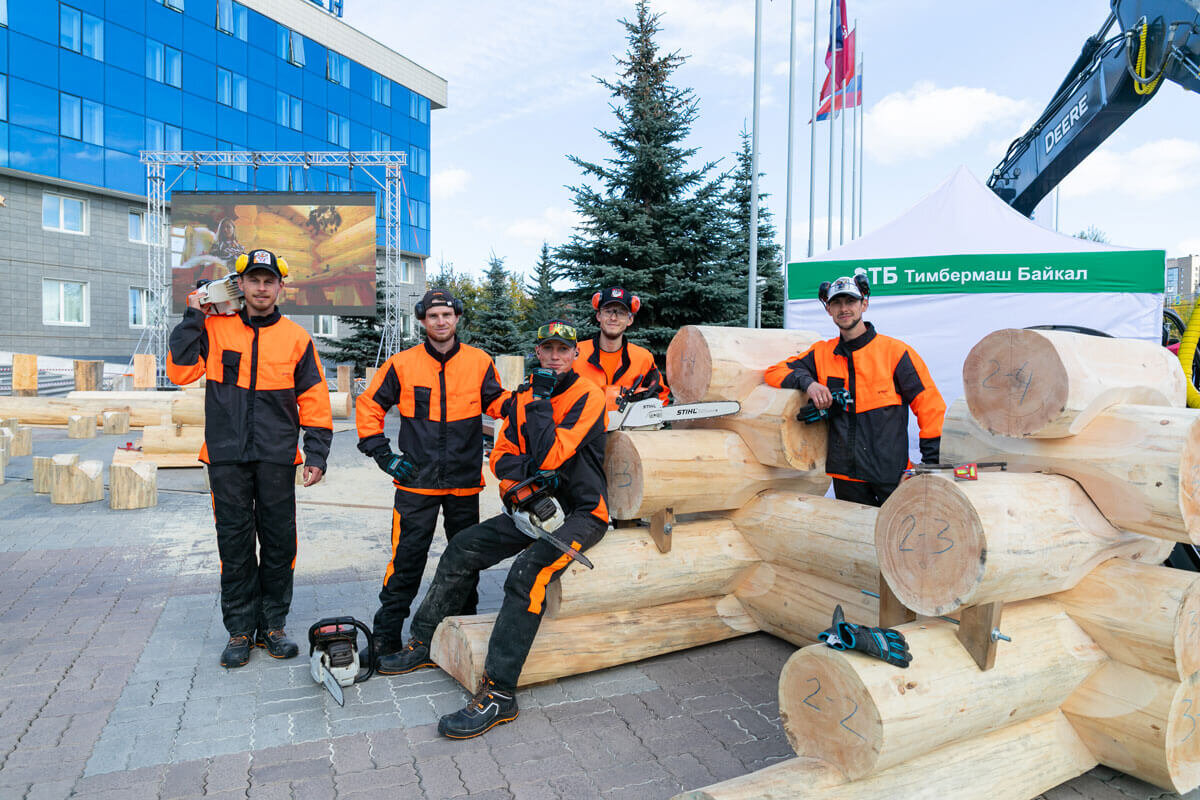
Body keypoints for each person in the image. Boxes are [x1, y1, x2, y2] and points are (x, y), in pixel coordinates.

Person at [380, 319, 609, 739]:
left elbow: (550, 456)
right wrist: (517, 489)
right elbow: (504, 455)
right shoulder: (521, 400)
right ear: (537, 353)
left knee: (527, 573)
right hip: (534, 507)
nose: (556, 356)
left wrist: (540, 407)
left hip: (582, 512)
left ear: (577, 354)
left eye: (564, 349)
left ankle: (500, 693)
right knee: (463, 547)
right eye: (548, 349)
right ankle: (425, 640)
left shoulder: (588, 397)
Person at [166, 248, 332, 667]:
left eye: (268, 280)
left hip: (277, 458)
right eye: (253, 279)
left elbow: (314, 399)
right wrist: (194, 315)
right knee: (235, 546)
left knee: (279, 545)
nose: (261, 287)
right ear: (239, 285)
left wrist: (317, 453)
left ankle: (272, 626)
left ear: (280, 286)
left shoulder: (296, 338)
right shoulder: (216, 328)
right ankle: (240, 630)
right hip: (226, 457)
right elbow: (180, 371)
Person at [355, 289, 509, 672]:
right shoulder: (403, 364)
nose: (441, 322)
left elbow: (497, 403)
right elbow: (369, 404)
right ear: (422, 321)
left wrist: (529, 402)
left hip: (463, 483)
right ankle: (386, 636)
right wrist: (383, 455)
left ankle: (465, 629)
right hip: (415, 483)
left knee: (466, 559)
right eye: (434, 316)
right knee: (406, 560)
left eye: (447, 315)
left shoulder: (478, 362)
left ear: (457, 318)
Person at [765, 270, 945, 507]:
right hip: (846, 478)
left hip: (892, 476)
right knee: (855, 541)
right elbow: (774, 372)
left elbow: (930, 406)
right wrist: (809, 383)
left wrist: (929, 466)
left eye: (850, 301)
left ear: (864, 304)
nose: (844, 309)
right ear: (828, 310)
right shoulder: (821, 353)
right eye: (837, 303)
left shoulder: (895, 353)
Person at [574, 286, 670, 413]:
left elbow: (660, 396)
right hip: (582, 429)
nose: (613, 318)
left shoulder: (643, 358)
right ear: (599, 316)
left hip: (628, 430)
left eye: (620, 313)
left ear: (630, 320)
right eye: (608, 311)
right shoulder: (575, 353)